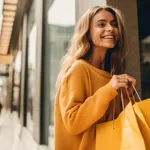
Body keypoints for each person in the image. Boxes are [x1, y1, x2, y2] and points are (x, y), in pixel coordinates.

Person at [54, 5, 136, 150]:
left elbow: (122, 125)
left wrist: (127, 96)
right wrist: (109, 89)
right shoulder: (79, 69)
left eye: (114, 24)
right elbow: (73, 123)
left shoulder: (112, 74)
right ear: (87, 32)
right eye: (101, 24)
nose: (110, 28)